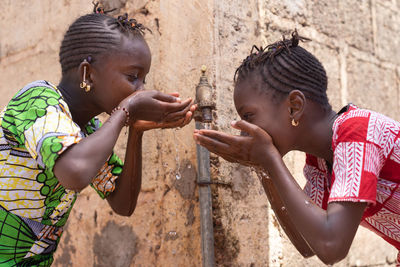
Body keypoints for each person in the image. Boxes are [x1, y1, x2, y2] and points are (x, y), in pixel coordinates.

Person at [0, 4, 195, 266]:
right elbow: (74, 172)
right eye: (133, 77)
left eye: (144, 80)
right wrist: (127, 110)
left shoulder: (88, 130)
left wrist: (135, 132)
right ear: (87, 74)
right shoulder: (38, 99)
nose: (141, 89)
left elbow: (123, 204)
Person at [193, 30, 400, 265]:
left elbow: (332, 246)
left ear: (294, 106)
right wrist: (264, 166)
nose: (244, 131)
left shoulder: (358, 132)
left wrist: (270, 159)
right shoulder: (320, 162)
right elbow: (307, 243)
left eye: (249, 117)